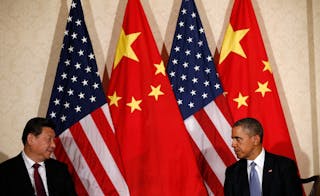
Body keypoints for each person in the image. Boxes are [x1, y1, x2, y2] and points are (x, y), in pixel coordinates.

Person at [224, 117, 302, 196]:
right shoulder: (232, 172)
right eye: (233, 139)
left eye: (238, 139)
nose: (233, 144)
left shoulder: (284, 166)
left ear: (255, 140)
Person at [0, 117, 77, 196]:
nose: (53, 145)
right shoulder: (4, 172)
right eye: (49, 139)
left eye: (54, 140)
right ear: (31, 139)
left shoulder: (61, 170)